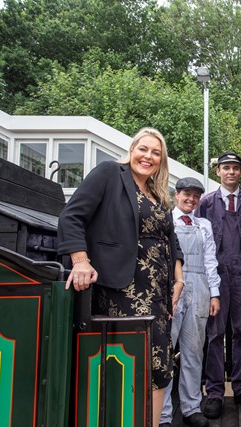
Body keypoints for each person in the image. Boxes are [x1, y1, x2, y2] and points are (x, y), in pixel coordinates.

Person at [57, 127, 184, 426]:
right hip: (121, 289)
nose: (148, 156)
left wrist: (178, 280)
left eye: (156, 152)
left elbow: (170, 240)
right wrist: (80, 260)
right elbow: (71, 215)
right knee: (128, 364)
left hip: (158, 295)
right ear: (132, 150)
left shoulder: (157, 193)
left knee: (158, 368)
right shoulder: (109, 174)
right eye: (144, 148)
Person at [198, 151, 241, 419]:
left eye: (236, 168)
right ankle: (214, 391)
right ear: (218, 172)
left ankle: (240, 386)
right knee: (215, 333)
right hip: (215, 277)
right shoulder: (205, 203)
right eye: (226, 168)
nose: (231, 172)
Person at [159, 177, 221, 427]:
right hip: (171, 288)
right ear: (177, 195)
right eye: (186, 194)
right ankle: (162, 414)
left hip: (199, 287)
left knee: (194, 350)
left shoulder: (204, 225)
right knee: (164, 350)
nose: (191, 200)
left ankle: (191, 407)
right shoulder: (166, 221)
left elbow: (210, 260)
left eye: (196, 196)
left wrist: (214, 293)